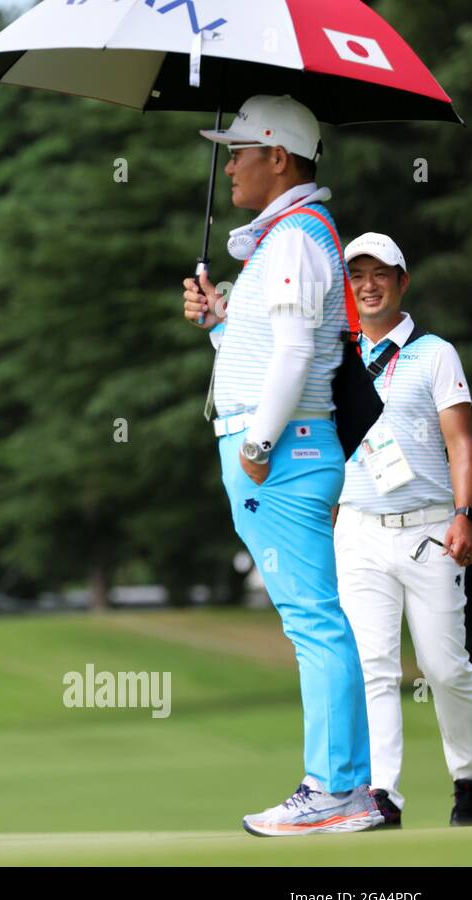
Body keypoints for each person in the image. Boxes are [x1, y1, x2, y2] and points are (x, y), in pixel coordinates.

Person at [182, 95, 382, 836]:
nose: (228, 164)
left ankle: (335, 789)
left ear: (279, 156)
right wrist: (220, 325)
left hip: (286, 452)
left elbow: (298, 355)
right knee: (315, 619)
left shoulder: (295, 237)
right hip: (285, 448)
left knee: (313, 621)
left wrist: (258, 447)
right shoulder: (282, 240)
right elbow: (265, 352)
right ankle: (346, 788)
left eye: (239, 150)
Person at [332, 232, 472, 828]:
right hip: (358, 530)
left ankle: (467, 777)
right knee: (375, 666)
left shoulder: (434, 352)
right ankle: (381, 794)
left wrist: (465, 513)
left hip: (430, 529)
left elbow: (460, 441)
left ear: (401, 281)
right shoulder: (333, 357)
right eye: (357, 274)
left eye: (380, 273)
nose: (368, 285)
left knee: (446, 667)